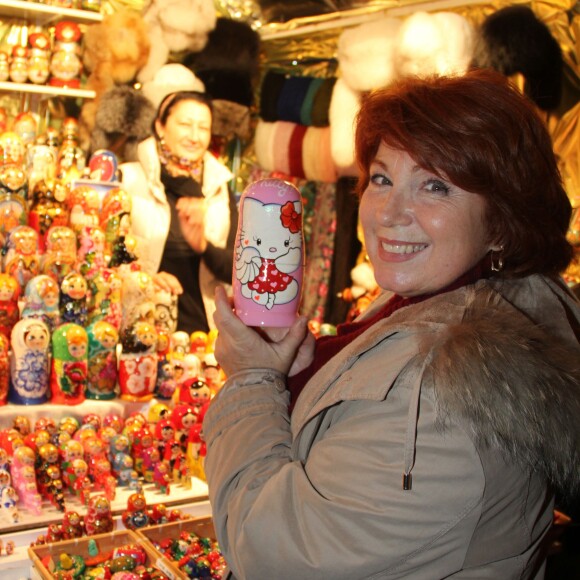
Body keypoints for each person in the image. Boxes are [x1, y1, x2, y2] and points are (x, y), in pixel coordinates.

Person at [203, 69, 580, 579]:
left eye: (435, 186)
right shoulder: (441, 296)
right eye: (382, 178)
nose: (388, 213)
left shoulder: (457, 391)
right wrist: (307, 367)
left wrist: (250, 382)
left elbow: (276, 553)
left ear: (501, 221)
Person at [120, 90, 237, 333]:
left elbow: (238, 271)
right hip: (139, 328)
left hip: (203, 334)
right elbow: (103, 258)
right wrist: (143, 280)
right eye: (185, 124)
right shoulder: (128, 180)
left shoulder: (219, 188)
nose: (195, 137)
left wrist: (204, 246)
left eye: (203, 128)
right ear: (160, 127)